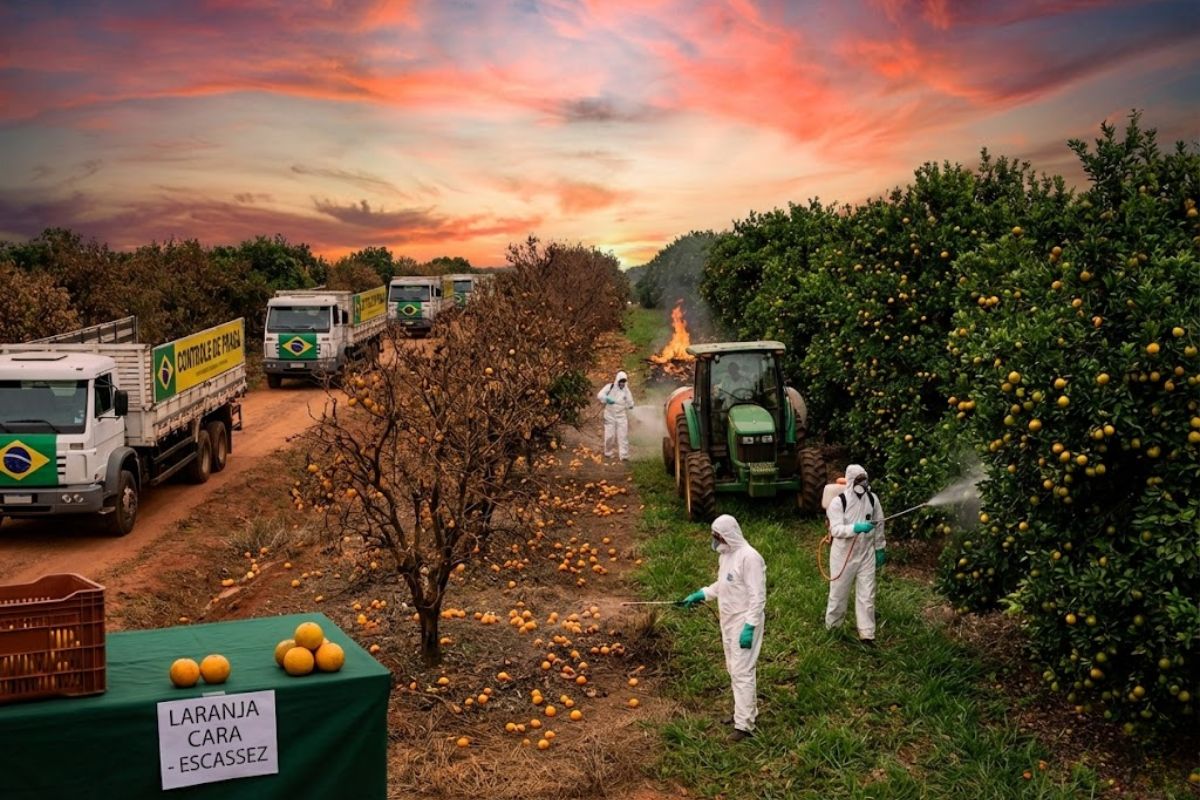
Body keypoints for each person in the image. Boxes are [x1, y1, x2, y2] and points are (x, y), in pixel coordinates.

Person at [678, 514, 766, 741]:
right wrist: (702, 594)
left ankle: (745, 726)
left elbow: (758, 597)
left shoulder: (750, 558)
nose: (715, 541)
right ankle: (744, 712)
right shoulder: (726, 556)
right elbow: (724, 584)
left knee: (742, 671)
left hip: (744, 620)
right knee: (732, 668)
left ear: (729, 535)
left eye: (718, 537)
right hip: (728, 620)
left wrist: (750, 625)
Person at [824, 464, 886, 644]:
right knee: (838, 593)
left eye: (865, 479)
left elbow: (880, 524)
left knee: (867, 595)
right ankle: (833, 628)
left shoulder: (873, 500)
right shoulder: (838, 502)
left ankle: (867, 634)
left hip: (866, 553)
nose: (863, 484)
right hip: (843, 555)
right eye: (859, 480)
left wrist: (880, 547)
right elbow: (835, 530)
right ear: (851, 481)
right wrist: (855, 528)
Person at [597, 370, 634, 461]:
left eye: (624, 382)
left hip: (622, 416)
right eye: (621, 381)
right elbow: (599, 395)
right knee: (610, 435)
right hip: (609, 415)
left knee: (623, 436)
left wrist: (631, 405)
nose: (622, 383)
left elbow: (630, 402)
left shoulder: (626, 391)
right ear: (617, 380)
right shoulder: (609, 387)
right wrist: (607, 398)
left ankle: (624, 456)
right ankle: (608, 453)